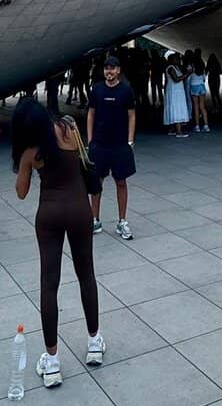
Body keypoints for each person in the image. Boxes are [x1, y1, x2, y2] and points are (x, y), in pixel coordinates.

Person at [13, 101, 104, 387]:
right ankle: (94, 342)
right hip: (80, 211)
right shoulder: (70, 129)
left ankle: (52, 362)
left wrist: (22, 160)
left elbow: (21, 193)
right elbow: (85, 163)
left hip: (49, 215)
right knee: (86, 275)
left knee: (49, 284)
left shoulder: (31, 151)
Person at [87, 55, 136, 239]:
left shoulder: (126, 91)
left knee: (121, 182)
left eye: (113, 68)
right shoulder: (97, 90)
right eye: (106, 68)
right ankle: (94, 220)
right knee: (96, 183)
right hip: (99, 145)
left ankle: (122, 221)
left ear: (119, 70)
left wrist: (130, 141)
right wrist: (90, 141)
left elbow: (132, 116)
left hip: (120, 145)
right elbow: (91, 114)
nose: (109, 71)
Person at [163, 53, 189, 137]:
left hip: (175, 90)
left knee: (173, 108)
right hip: (175, 91)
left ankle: (172, 129)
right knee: (176, 108)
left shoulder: (176, 67)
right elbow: (176, 79)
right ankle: (179, 131)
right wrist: (187, 74)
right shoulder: (170, 68)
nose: (178, 60)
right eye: (176, 59)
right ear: (171, 60)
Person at [187, 53, 210, 133]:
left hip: (194, 86)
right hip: (201, 86)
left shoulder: (191, 66)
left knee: (196, 107)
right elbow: (204, 79)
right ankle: (206, 125)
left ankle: (197, 126)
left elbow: (188, 77)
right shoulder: (202, 68)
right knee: (202, 106)